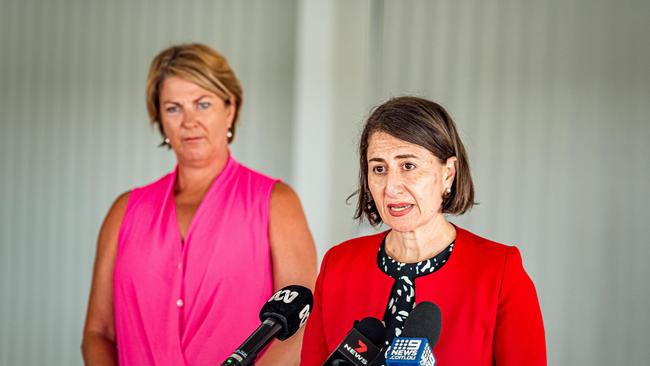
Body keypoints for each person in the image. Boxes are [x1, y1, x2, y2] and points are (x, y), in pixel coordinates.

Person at [81, 43, 317, 366]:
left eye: (202, 104)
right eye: (173, 108)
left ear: (229, 108)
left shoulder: (277, 204)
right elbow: (98, 333)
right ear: (159, 117)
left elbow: (300, 328)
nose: (189, 121)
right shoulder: (124, 212)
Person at [300, 97, 546, 365]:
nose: (391, 187)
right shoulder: (338, 265)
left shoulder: (499, 272)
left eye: (408, 166)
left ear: (448, 173)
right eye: (379, 168)